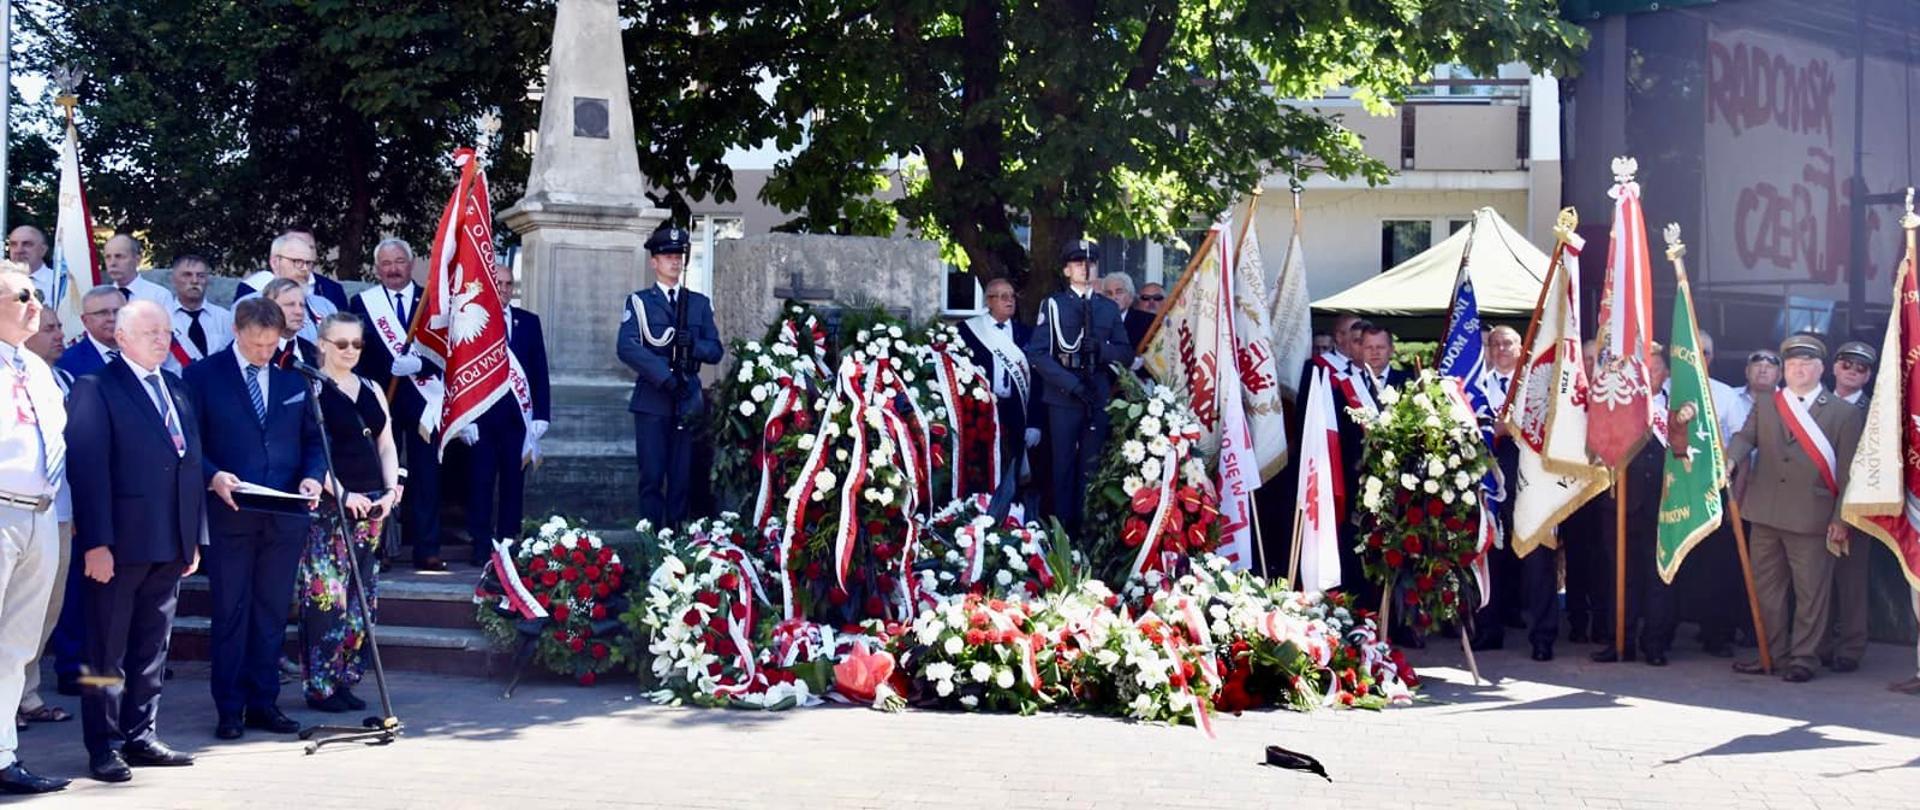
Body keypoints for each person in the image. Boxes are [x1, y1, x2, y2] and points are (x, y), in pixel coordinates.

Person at [64, 300, 201, 782]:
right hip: (118, 546)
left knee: (151, 648)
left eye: (165, 332)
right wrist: (96, 543)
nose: (162, 340)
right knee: (105, 651)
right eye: (150, 332)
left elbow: (189, 464)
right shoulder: (96, 386)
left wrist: (192, 537)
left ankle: (141, 734)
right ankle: (104, 744)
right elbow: (87, 467)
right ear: (121, 338)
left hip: (169, 542)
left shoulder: (177, 388)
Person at [183, 296, 325, 739]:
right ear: (236, 331)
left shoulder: (293, 377)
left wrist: (313, 477)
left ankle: (264, 702)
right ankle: (229, 708)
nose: (264, 352)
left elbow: (314, 440)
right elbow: (189, 440)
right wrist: (212, 476)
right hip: (231, 513)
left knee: (271, 612)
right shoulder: (202, 375)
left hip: (284, 515)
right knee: (231, 611)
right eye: (256, 344)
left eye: (271, 344)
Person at [1715, 334, 1864, 683]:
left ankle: (1804, 658)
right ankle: (1773, 653)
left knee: (1811, 593)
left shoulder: (1843, 413)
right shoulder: (1769, 402)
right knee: (1767, 590)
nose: (1799, 369)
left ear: (1821, 368)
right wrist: (1731, 460)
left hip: (1812, 517)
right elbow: (1745, 437)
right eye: (1793, 364)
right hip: (1765, 512)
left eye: (1806, 363)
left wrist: (1841, 518)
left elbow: (1849, 472)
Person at [299, 313, 399, 712]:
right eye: (341, 344)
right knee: (327, 597)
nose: (350, 351)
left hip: (371, 508)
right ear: (322, 344)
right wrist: (341, 493)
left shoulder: (371, 387)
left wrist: (390, 491)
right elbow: (310, 449)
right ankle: (321, 684)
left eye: (357, 344)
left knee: (361, 599)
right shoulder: (311, 388)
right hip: (329, 509)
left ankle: (345, 679)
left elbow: (386, 443)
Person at [0, 267, 72, 794]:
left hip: (41, 513)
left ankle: (3, 754)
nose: (34, 305)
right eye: (22, 295)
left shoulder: (38, 368)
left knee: (19, 645)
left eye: (37, 296)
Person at [1025, 239, 1132, 542]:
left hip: (1097, 394)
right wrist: (1072, 385)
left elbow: (1126, 353)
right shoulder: (1054, 305)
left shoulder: (1108, 308)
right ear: (1066, 270)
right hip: (1064, 395)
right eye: (1077, 263)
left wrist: (1102, 349)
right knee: (1062, 467)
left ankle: (1088, 535)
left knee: (1091, 467)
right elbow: (1038, 354)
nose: (1085, 268)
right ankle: (1062, 535)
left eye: (1090, 263)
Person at [348, 238, 443, 570]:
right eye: (386, 263)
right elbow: (355, 355)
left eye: (399, 261)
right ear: (377, 268)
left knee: (426, 476)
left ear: (411, 263)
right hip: (381, 400)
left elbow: (446, 350)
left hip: (424, 401)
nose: (393, 269)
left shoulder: (431, 302)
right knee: (379, 475)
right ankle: (380, 548)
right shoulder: (362, 303)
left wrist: (421, 365)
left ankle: (427, 549)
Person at [617, 224, 720, 528]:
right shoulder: (640, 302)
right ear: (654, 262)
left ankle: (677, 537)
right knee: (651, 475)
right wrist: (664, 377)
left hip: (688, 397)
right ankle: (651, 538)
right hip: (653, 397)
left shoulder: (698, 303)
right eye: (667, 257)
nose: (675, 262)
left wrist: (693, 345)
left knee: (682, 475)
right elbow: (627, 347)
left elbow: (715, 350)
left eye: (678, 257)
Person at [1473, 325, 1559, 660]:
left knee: (1537, 562)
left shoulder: (1534, 386)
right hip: (1488, 482)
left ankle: (1543, 637)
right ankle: (1489, 630)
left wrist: (1512, 427)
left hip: (1529, 481)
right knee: (1489, 557)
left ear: (1521, 348)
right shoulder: (1477, 385)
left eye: (1508, 343)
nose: (1501, 349)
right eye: (1495, 344)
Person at [1592, 345, 1677, 666]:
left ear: (1665, 374)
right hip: (1620, 506)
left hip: (1664, 507)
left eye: (1654, 370)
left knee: (1658, 578)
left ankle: (1654, 643)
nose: (1648, 375)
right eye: (1642, 370)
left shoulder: (1677, 407)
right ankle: (1620, 641)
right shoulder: (1616, 405)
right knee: (1621, 577)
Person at [464, 264, 551, 564]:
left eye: (508, 284)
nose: (503, 289)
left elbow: (539, 370)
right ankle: (480, 543)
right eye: (497, 283)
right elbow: (461, 371)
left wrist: (541, 414)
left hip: (517, 419)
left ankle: (508, 542)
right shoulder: (471, 319)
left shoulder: (528, 322)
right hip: (482, 418)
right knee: (481, 483)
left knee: (514, 484)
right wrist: (464, 418)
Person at [15, 305, 75, 728]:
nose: (57, 334)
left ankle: (25, 693)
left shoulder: (63, 380)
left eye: (58, 326)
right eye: (48, 328)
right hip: (15, 509)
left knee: (44, 610)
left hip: (58, 509)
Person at [1818, 340, 1876, 674]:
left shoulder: (1875, 412)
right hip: (1814, 504)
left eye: (1860, 368)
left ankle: (1851, 649)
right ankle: (1820, 645)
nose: (1852, 371)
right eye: (1846, 364)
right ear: (1834, 368)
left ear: (1868, 376)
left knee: (1851, 582)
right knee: (1817, 581)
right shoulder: (1816, 403)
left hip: (1855, 506)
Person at [957, 278, 1040, 508]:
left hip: (1016, 410)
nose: (1009, 301)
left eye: (1012, 296)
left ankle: (1011, 514)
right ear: (989, 301)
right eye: (1003, 297)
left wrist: (1034, 422)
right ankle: (979, 510)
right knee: (981, 466)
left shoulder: (1026, 334)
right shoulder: (968, 332)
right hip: (981, 411)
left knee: (1013, 467)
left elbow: (1036, 381)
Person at [235, 233, 337, 343]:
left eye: (309, 263)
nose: (305, 269)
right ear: (275, 263)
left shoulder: (325, 306)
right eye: (297, 261)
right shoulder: (248, 306)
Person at [168, 254, 234, 364]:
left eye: (201, 276)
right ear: (173, 279)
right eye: (187, 275)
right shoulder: (163, 319)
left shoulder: (225, 318)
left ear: (207, 280)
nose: (194, 281)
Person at [56, 286, 125, 378]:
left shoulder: (143, 352)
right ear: (85, 320)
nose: (112, 318)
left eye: (117, 311)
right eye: (102, 313)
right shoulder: (66, 363)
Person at [101, 235, 177, 310]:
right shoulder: (101, 298)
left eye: (119, 256)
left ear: (137, 260)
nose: (112, 263)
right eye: (108, 257)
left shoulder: (159, 296)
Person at [262, 277, 322, 370]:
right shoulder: (252, 349)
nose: (299, 312)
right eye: (290, 304)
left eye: (302, 305)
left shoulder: (313, 352)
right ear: (268, 308)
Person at [1101, 273, 1153, 350]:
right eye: (1109, 293)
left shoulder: (1148, 321)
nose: (1114, 297)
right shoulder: (1095, 322)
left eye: (1119, 292)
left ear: (1130, 296)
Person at [10, 227, 55, 309]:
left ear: (43, 250)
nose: (18, 250)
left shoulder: (58, 283)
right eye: (13, 244)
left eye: (27, 244)